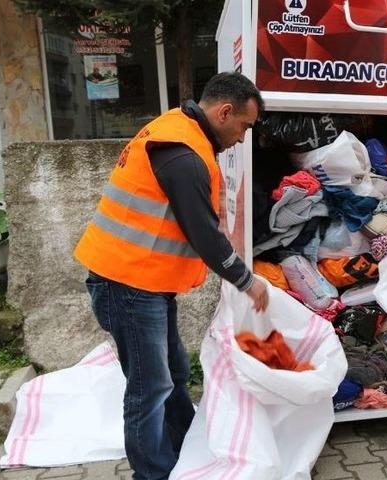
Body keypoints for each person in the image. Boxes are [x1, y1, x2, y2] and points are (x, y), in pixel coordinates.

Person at [73, 71, 269, 480]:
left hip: (145, 281)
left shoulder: (182, 132)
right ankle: (153, 474)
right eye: (244, 127)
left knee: (174, 374)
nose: (243, 137)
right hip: (127, 283)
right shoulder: (182, 152)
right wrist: (247, 282)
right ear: (224, 112)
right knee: (150, 388)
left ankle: (186, 453)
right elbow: (202, 233)